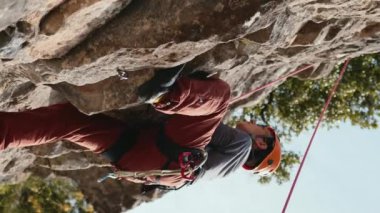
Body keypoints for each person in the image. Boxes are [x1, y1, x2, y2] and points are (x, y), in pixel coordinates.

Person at [0, 66, 281, 189]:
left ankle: (165, 94)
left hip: (168, 156)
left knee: (221, 98)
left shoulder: (242, 146)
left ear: (261, 143)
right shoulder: (223, 170)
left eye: (262, 129)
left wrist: (201, 102)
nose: (257, 126)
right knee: (67, 122)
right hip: (139, 165)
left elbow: (206, 126)